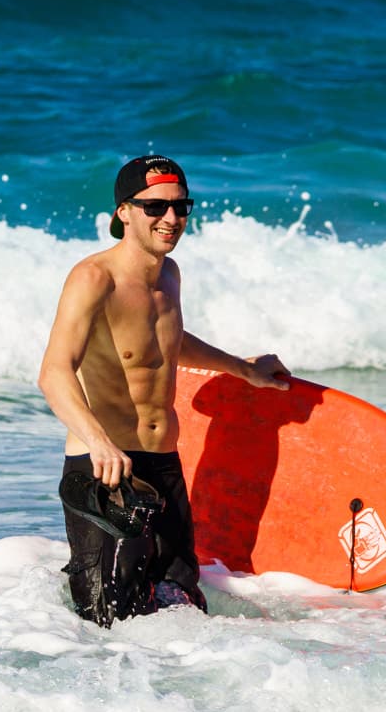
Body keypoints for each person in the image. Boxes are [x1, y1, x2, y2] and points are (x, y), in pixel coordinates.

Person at [38, 156, 291, 624]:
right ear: (123, 212)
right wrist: (99, 443)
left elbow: (165, 344)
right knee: (106, 621)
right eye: (155, 207)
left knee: (181, 605)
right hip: (108, 472)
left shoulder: (169, 275)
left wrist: (241, 368)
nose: (171, 220)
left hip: (163, 465)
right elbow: (53, 372)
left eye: (181, 207)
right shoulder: (95, 278)